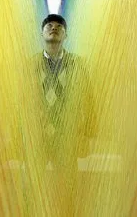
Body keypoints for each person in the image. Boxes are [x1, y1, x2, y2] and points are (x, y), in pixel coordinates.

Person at [29, 14, 96, 214]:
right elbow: (20, 105)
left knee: (67, 194)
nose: (54, 28)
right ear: (42, 33)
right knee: (32, 193)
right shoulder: (29, 65)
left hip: (67, 140)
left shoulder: (78, 65)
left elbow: (89, 100)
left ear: (66, 35)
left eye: (59, 26)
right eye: (49, 25)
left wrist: (88, 135)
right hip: (37, 141)